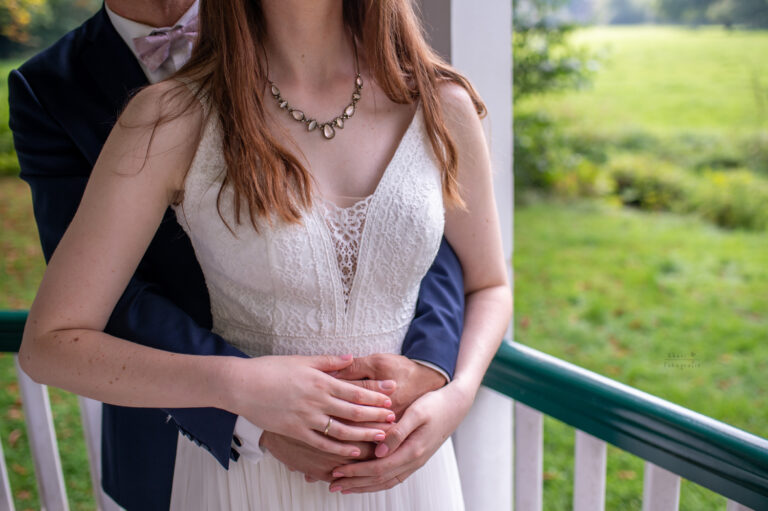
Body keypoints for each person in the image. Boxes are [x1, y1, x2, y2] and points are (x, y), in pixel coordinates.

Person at [15, 0, 512, 509]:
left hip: (411, 480)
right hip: (243, 480)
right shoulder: (170, 116)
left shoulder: (441, 103)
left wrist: (456, 395)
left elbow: (487, 284)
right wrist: (238, 387)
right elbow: (48, 344)